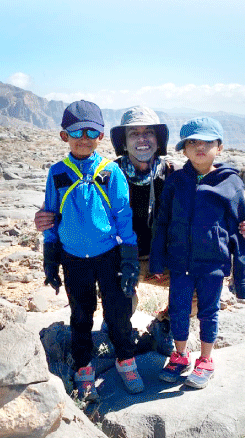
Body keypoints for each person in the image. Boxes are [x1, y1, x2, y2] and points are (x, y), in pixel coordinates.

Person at [35, 106, 245, 353]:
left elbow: (209, 203)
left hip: (163, 261)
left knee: (197, 292)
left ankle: (165, 324)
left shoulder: (173, 176)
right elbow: (66, 206)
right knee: (120, 304)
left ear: (158, 140)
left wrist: (243, 227)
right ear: (124, 142)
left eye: (148, 133)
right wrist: (45, 217)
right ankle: (117, 324)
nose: (142, 139)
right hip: (119, 259)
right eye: (134, 134)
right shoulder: (107, 173)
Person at [41, 100, 144, 401]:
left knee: (118, 311)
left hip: (108, 255)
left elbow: (123, 216)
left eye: (91, 131)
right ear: (65, 136)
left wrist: (129, 257)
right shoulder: (57, 173)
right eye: (76, 132)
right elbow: (50, 215)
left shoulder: (110, 172)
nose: (84, 138)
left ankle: (126, 359)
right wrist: (50, 259)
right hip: (73, 259)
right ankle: (84, 367)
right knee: (81, 314)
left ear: (100, 135)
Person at [150, 116, 245, 389]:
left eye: (207, 142)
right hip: (180, 263)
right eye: (193, 142)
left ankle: (206, 360)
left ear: (219, 148)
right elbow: (162, 222)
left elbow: (242, 233)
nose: (200, 147)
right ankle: (180, 356)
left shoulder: (230, 184)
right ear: (183, 149)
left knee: (209, 312)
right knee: (180, 310)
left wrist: (243, 283)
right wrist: (158, 261)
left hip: (213, 265)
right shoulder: (175, 182)